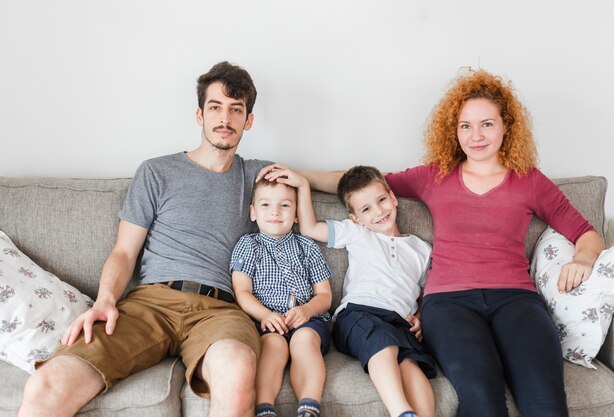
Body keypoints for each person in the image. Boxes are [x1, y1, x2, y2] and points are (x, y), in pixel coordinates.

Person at [261, 69, 605, 417]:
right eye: (465, 126)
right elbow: (360, 182)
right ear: (454, 131)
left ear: (506, 126)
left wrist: (583, 260)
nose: (476, 136)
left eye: (487, 124)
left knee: (546, 404)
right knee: (482, 402)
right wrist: (297, 175)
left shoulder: (530, 181)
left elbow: (587, 234)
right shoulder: (436, 176)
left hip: (516, 299)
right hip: (450, 305)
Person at [18, 61, 273, 417]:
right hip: (150, 304)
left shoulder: (258, 175)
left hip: (221, 311)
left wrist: (374, 184)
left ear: (248, 121)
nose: (225, 119)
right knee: (48, 383)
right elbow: (124, 252)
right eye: (215, 107)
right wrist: (105, 300)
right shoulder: (157, 171)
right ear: (200, 115)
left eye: (236, 110)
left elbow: (331, 181)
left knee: (237, 368)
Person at [269, 165, 436, 417]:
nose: (378, 211)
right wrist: (303, 185)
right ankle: (401, 412)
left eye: (381, 200)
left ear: (393, 198)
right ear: (356, 217)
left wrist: (422, 317)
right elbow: (310, 228)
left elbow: (429, 292)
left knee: (411, 363)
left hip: (400, 322)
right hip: (357, 314)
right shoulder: (357, 233)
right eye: (366, 209)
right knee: (382, 342)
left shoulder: (421, 249)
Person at [231, 178, 333, 417]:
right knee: (272, 345)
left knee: (305, 341)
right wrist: (265, 315)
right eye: (266, 205)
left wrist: (307, 310)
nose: (275, 211)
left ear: (296, 214)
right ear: (253, 213)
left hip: (307, 319)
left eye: (285, 205)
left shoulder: (306, 245)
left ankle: (309, 407)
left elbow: (325, 295)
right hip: (266, 320)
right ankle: (265, 408)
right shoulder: (248, 245)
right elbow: (242, 292)